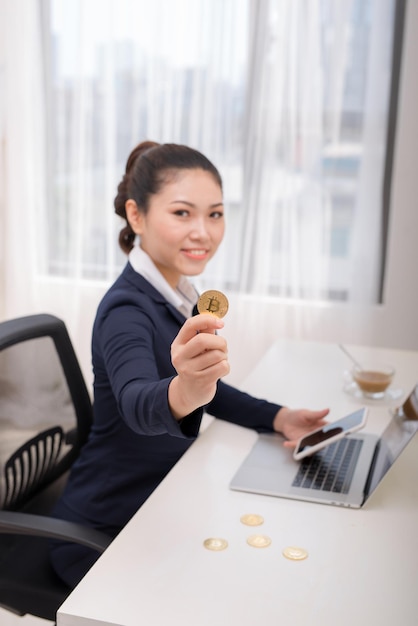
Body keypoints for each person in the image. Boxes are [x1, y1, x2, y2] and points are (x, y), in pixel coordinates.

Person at [49, 140, 329, 586]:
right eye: (182, 213)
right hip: (106, 532)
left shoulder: (179, 293)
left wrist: (279, 417)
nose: (204, 231)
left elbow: (208, 385)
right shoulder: (126, 309)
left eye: (215, 214)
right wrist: (184, 391)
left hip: (165, 500)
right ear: (136, 215)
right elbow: (139, 401)